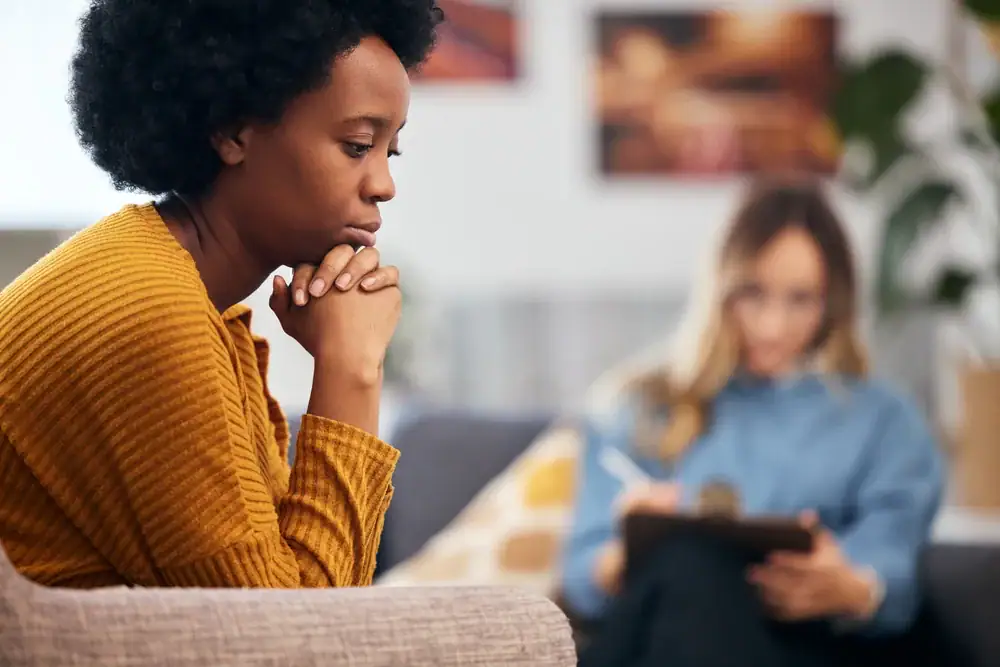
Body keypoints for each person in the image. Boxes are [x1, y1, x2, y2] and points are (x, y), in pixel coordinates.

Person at [0, 0, 443, 588]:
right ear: (233, 131)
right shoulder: (150, 312)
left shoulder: (188, 295)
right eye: (358, 145)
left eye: (391, 151)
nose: (384, 185)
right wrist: (351, 367)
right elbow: (297, 639)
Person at [560, 179, 945, 667]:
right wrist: (627, 551)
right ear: (719, 290)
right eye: (753, 294)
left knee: (696, 573)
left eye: (800, 299)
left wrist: (852, 588)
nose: (772, 326)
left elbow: (893, 564)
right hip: (661, 630)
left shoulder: (884, 421)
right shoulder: (642, 406)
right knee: (690, 568)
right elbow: (580, 577)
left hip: (806, 645)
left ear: (833, 302)